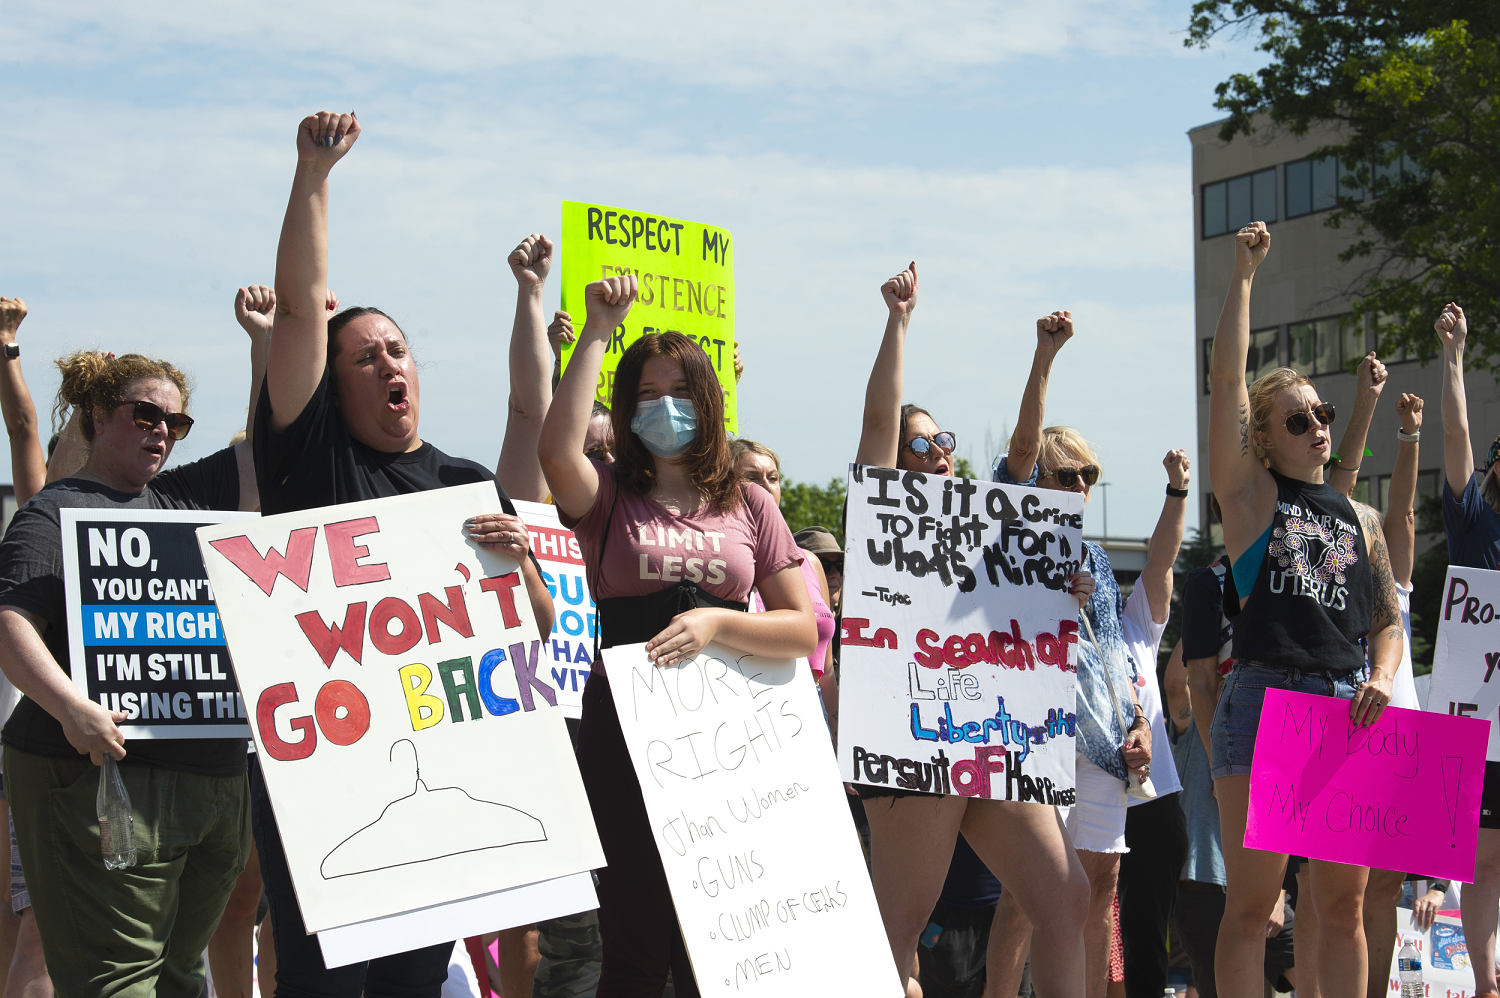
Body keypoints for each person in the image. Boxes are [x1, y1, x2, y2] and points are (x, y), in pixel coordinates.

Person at [253, 110, 555, 998]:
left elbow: (535, 629)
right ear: (327, 386)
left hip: (442, 775)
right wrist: (314, 176)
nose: (389, 364)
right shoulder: (312, 463)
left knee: (413, 986)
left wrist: (522, 566)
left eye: (398, 349)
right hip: (329, 783)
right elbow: (306, 308)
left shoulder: (464, 482)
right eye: (363, 357)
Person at [538, 275, 816, 997]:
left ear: (710, 403)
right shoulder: (606, 495)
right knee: (633, 945)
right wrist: (599, 330)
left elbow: (800, 627)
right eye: (650, 395)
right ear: (629, 411)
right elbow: (556, 450)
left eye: (682, 392)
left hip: (729, 748)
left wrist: (720, 622)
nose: (667, 408)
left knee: (720, 947)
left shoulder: (750, 502)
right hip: (626, 738)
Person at [852, 261, 1090, 998]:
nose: (939, 452)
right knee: (897, 930)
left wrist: (1062, 598)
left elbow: (1020, 624)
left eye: (943, 441)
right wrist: (898, 322)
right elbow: (877, 425)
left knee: (1067, 897)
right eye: (920, 444)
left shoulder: (991, 532)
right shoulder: (880, 518)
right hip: (910, 732)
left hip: (994, 733)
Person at [0, 346, 259, 997]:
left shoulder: (178, 498)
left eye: (176, 423)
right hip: (97, 783)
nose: (161, 432)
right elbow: (9, 622)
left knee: (176, 976)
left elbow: (265, 450)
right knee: (117, 982)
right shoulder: (58, 511)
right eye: (144, 414)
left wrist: (261, 347)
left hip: (206, 788)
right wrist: (70, 708)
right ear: (95, 414)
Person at [1206, 221, 1402, 998]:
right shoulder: (1251, 499)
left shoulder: (1363, 518)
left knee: (1344, 903)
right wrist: (1245, 276)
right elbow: (1226, 383)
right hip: (1264, 702)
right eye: (1298, 419)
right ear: (1263, 439)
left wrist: (1384, 676)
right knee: (1254, 907)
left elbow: (1386, 619)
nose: (1318, 426)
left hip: (1347, 706)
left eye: (1322, 413)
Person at [988, 315, 1170, 998]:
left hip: (1102, 745)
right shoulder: (1014, 535)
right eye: (1064, 475)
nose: (1079, 485)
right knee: (1026, 893)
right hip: (1032, 733)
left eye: (1088, 474)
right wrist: (1045, 357)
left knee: (1101, 884)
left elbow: (1116, 654)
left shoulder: (1096, 556)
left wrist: (1140, 723)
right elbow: (1024, 444)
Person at [1435, 301, 1500, 998]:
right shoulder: (1478, 530)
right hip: (1480, 732)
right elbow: (1456, 434)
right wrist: (1454, 356)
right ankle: (1487, 984)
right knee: (1484, 860)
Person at [730, 438, 837, 705]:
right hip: (749, 712)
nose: (766, 487)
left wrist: (834, 728)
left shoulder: (810, 563)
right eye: (751, 478)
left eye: (773, 477)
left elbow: (827, 670)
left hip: (813, 713)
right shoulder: (726, 565)